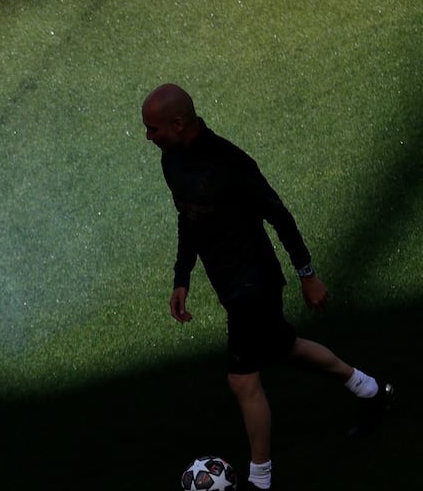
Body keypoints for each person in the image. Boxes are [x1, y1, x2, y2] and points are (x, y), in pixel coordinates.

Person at [140, 83, 394, 490]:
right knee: (285, 348)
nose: (148, 137)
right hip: (228, 283)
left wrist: (307, 275)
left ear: (179, 122)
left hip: (253, 283)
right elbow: (187, 218)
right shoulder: (172, 161)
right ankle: (370, 390)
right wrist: (181, 277)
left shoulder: (230, 163)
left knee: (242, 379)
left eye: (153, 129)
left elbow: (280, 216)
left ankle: (260, 479)